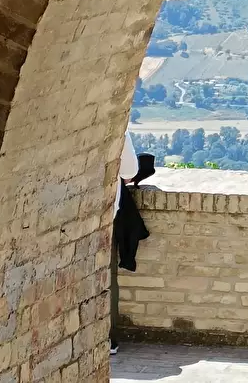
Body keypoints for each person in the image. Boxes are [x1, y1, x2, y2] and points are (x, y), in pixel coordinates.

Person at [110, 131, 138, 355]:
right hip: (105, 218)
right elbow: (129, 172)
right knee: (105, 281)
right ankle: (107, 338)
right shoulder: (117, 128)